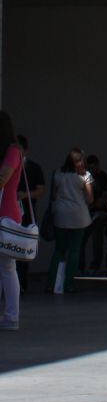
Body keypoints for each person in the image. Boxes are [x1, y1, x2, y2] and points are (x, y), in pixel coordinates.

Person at [45, 148, 94, 294]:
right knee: (74, 251)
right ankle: (69, 284)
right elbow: (90, 199)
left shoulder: (58, 174)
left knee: (59, 250)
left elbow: (53, 196)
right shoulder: (85, 175)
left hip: (61, 215)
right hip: (79, 217)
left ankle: (50, 283)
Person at [0, 110, 23, 330]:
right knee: (6, 268)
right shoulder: (12, 150)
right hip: (7, 213)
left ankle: (11, 316)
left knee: (7, 267)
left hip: (5, 214)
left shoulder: (13, 151)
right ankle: (10, 316)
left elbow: (3, 179)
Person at [15, 134, 44, 293]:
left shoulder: (33, 168)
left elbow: (40, 191)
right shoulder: (8, 166)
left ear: (25, 149)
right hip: (11, 215)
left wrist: (24, 195)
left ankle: (21, 283)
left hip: (26, 213)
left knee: (23, 251)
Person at [82, 154, 107, 274]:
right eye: (89, 168)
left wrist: (94, 204)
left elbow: (104, 199)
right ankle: (81, 267)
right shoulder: (85, 176)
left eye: (93, 167)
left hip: (98, 214)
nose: (91, 170)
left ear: (97, 165)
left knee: (97, 241)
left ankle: (95, 266)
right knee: (82, 241)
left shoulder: (103, 177)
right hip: (87, 213)